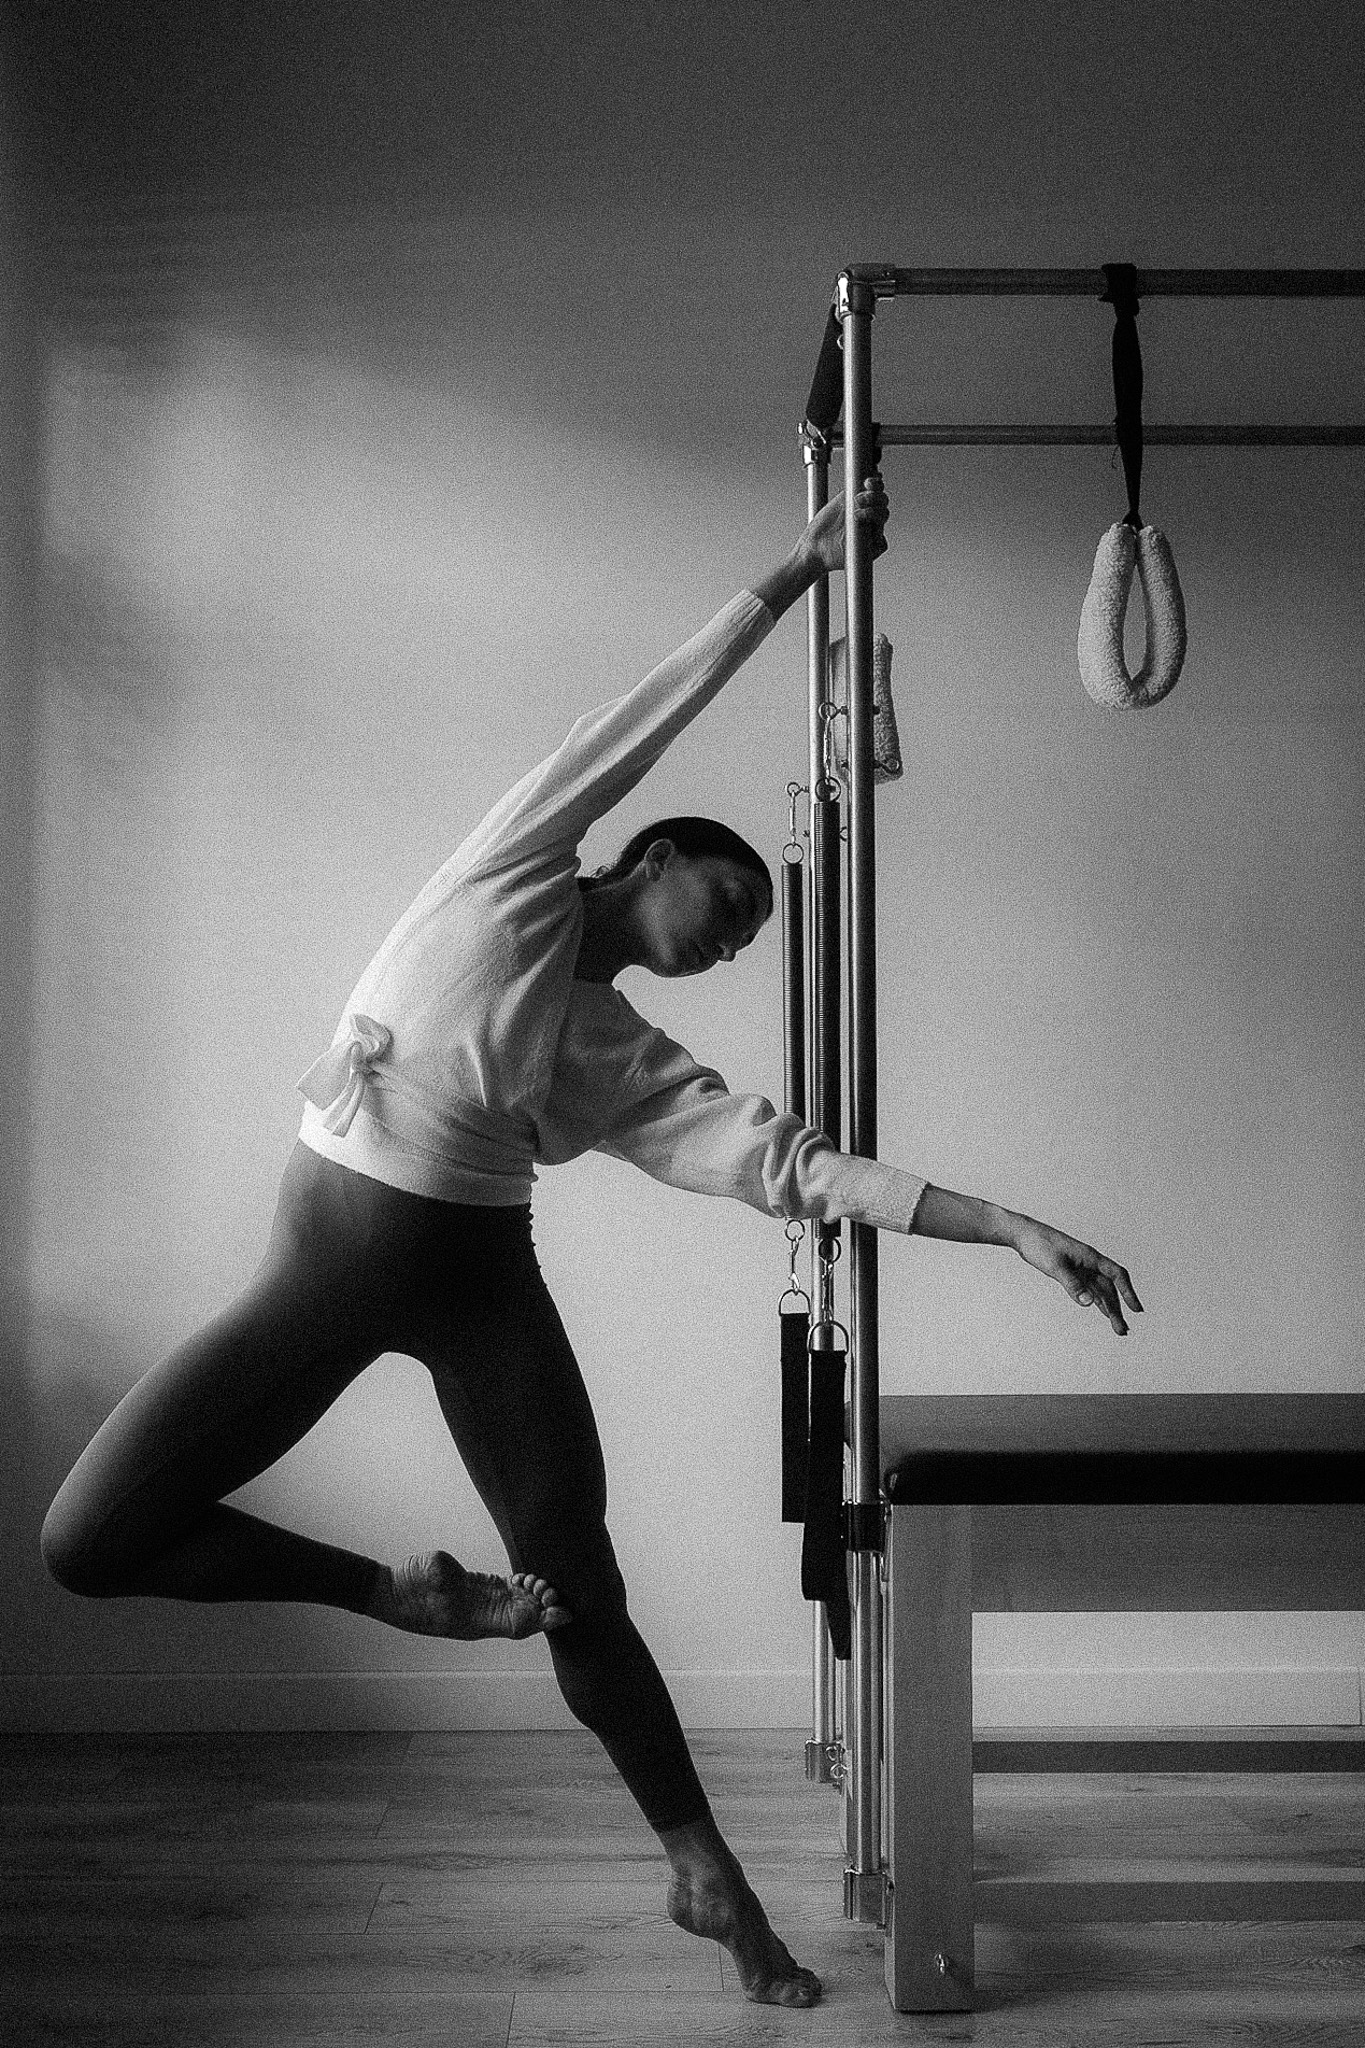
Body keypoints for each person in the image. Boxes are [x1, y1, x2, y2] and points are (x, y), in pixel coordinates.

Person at [41, 476, 1141, 2008]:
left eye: (748, 935)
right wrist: (800, 567)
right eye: (727, 899)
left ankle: (705, 1873)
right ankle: (393, 1596)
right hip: (326, 1270)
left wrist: (1007, 1225)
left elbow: (789, 1167)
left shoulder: (622, 1057)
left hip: (483, 1290)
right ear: (643, 857)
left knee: (576, 1586)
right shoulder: (504, 881)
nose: (733, 934)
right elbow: (643, 716)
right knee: (89, 1541)